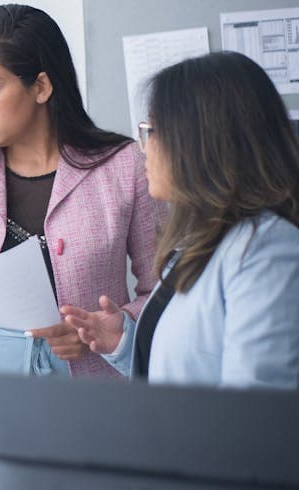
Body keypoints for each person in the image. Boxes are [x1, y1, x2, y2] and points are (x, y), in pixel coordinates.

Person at [0, 4, 166, 434]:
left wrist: (113, 330)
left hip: (93, 394)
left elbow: (165, 290)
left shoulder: (123, 165)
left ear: (40, 86)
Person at [65, 51, 299, 387]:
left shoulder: (268, 249)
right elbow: (189, 370)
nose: (144, 148)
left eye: (151, 131)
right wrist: (125, 342)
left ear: (201, 141)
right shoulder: (203, 242)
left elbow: (254, 408)